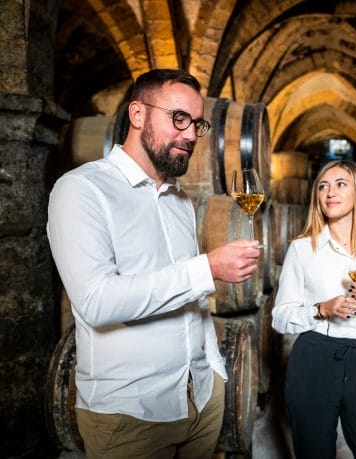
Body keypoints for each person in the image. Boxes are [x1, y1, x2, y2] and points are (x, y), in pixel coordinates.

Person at [47, 68, 261, 458]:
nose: (189, 135)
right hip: (132, 414)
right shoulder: (82, 190)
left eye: (197, 124)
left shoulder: (180, 202)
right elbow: (97, 302)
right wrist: (207, 268)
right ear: (137, 114)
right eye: (178, 118)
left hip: (200, 398)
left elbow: (185, 295)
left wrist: (213, 370)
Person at [272, 159, 356, 459]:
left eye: (340, 184)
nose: (329, 192)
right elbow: (280, 318)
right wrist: (321, 308)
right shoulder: (302, 249)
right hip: (312, 360)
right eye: (323, 186)